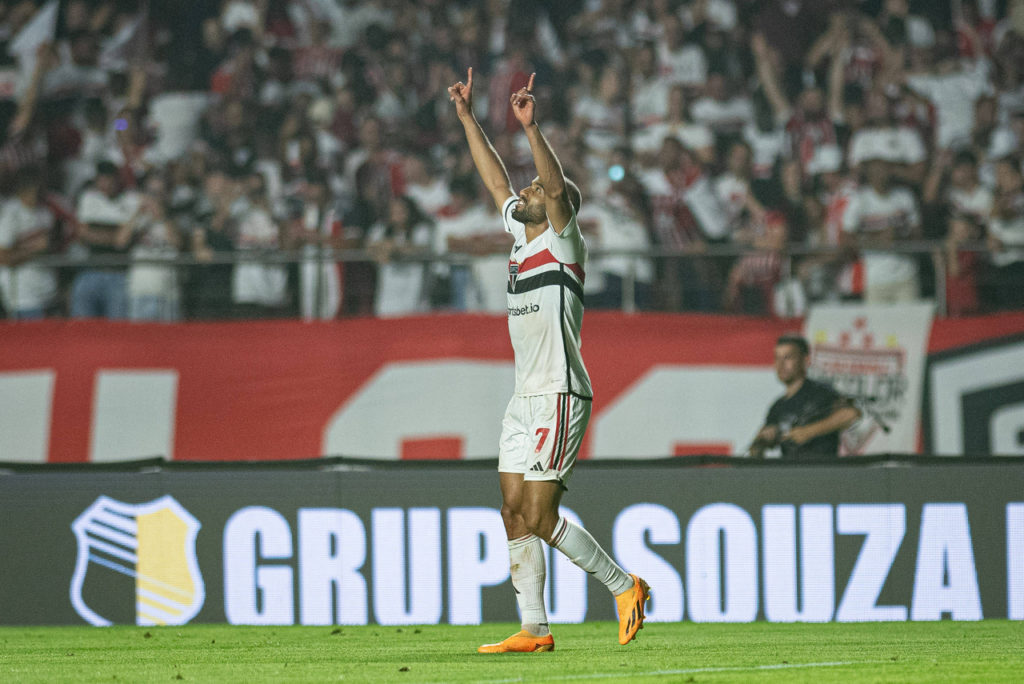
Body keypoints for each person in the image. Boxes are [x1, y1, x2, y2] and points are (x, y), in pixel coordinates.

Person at [448, 68, 649, 653]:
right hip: (523, 395)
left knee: (538, 517)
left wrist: (533, 129)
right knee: (513, 511)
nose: (529, 190)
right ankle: (534, 628)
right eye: (530, 189)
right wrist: (468, 118)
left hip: (560, 391)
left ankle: (624, 583)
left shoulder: (565, 242)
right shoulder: (520, 238)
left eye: (536, 189)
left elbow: (558, 190)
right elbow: (493, 181)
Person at [748, 334, 861, 459]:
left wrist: (809, 432)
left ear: (805, 360)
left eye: (788, 357)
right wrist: (763, 442)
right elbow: (755, 448)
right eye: (777, 358)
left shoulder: (820, 392)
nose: (780, 365)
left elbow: (851, 414)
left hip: (822, 472)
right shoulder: (778, 406)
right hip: (789, 474)